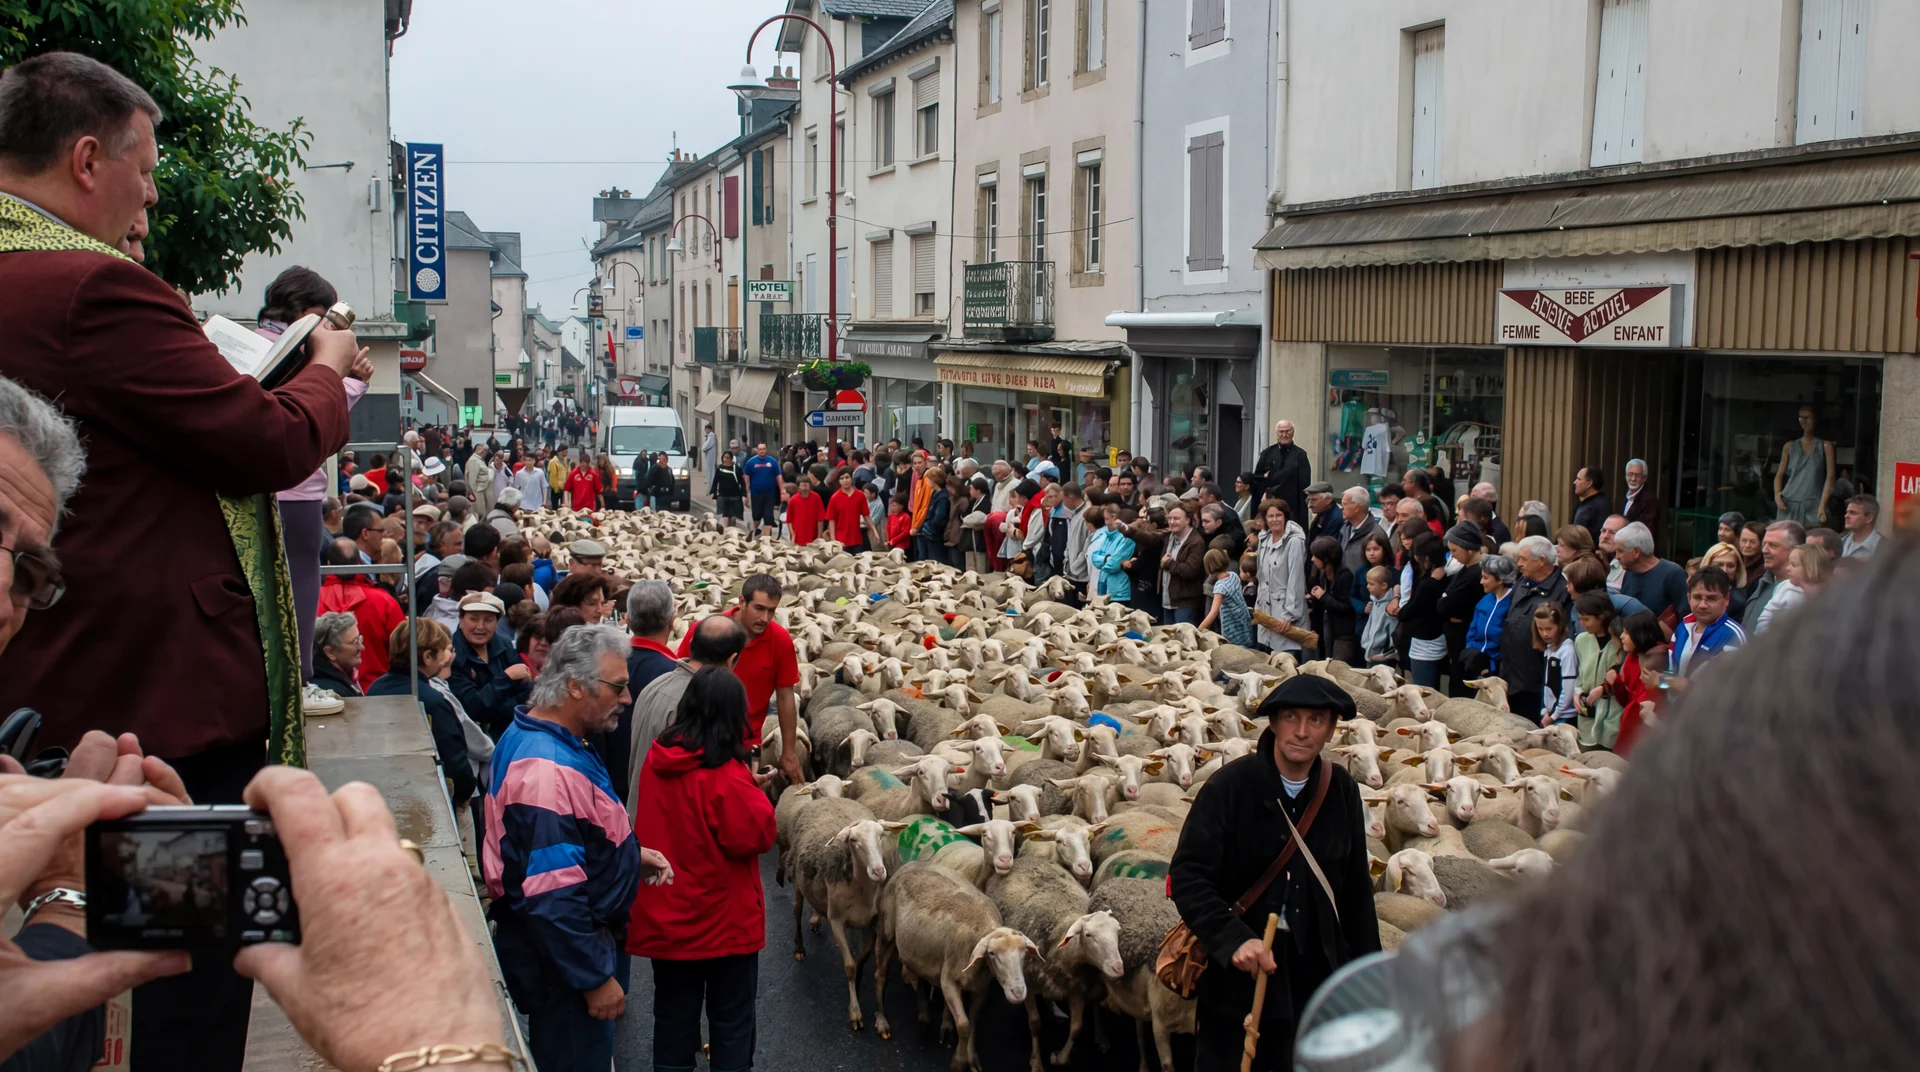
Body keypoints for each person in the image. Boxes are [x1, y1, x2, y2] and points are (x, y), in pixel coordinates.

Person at [0, 55, 377, 1067]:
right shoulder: (88, 288)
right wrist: (331, 377)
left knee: (66, 974)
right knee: (179, 991)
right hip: (156, 717)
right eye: (147, 166)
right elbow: (255, 442)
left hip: (60, 684)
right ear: (88, 159)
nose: (156, 193)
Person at [1169, 675, 1379, 1071]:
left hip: (1316, 975)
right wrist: (1233, 940)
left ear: (1331, 730)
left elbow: (1354, 891)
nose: (1301, 731)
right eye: (1291, 717)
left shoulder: (1342, 791)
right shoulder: (1230, 787)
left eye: (1316, 721)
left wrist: (1366, 978)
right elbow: (1188, 876)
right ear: (1273, 723)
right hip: (1242, 979)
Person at [485, 625, 661, 1072]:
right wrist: (594, 978)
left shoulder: (543, 734)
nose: (627, 699)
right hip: (562, 967)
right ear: (575, 686)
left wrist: (624, 856)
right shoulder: (548, 771)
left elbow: (564, 838)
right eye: (618, 687)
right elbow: (551, 892)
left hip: (557, 954)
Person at [628, 666, 777, 1072]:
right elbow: (755, 836)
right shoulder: (726, 774)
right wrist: (752, 792)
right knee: (731, 1024)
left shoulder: (659, 762)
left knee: (673, 1018)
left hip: (669, 915)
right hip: (724, 922)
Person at [673, 574, 802, 784]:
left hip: (745, 743)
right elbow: (679, 679)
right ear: (742, 602)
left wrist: (789, 753)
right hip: (698, 739)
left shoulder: (779, 640)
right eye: (759, 608)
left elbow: (785, 697)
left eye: (772, 611)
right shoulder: (707, 630)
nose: (765, 618)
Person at [624, 615, 748, 810]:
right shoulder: (700, 705)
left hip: (638, 815)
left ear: (691, 644)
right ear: (732, 659)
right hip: (670, 825)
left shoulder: (654, 686)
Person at [366, 618, 480, 824]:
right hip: (430, 806)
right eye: (441, 651)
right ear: (428, 656)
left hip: (384, 791)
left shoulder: (375, 688)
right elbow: (456, 762)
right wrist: (464, 793)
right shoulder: (433, 701)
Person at [317, 537, 404, 691]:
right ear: (359, 563)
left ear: (328, 564)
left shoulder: (309, 602)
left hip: (322, 695)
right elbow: (404, 652)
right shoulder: (384, 602)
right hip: (379, 694)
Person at [1499, 536, 1571, 720]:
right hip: (1511, 674)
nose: (1519, 564)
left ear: (1541, 561)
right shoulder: (1522, 583)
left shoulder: (1562, 590)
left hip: (1537, 680)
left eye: (1523, 559)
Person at [448, 591, 532, 738]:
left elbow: (527, 691)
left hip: (510, 734)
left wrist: (493, 711)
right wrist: (507, 678)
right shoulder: (452, 655)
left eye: (488, 620)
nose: (480, 627)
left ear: (497, 623)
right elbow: (472, 707)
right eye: (473, 619)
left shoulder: (504, 646)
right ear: (461, 620)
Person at [1606, 611, 1667, 756]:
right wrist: (1616, 683)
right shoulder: (1633, 658)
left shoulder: (1657, 662)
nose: (1621, 637)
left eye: (1626, 633)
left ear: (1641, 635)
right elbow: (1628, 698)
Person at [1570, 589, 1624, 749]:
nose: (1582, 624)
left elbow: (1625, 676)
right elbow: (1580, 674)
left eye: (1586, 619)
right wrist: (1577, 692)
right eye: (1580, 619)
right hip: (1587, 716)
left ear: (1602, 616)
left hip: (1612, 716)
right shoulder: (1581, 640)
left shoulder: (1620, 641)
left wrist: (1602, 689)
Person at [1254, 501, 1308, 655]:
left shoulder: (1294, 542)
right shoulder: (1264, 539)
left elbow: (1295, 580)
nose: (1274, 519)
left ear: (1285, 517)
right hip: (1265, 613)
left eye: (1278, 515)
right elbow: (1261, 577)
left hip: (1285, 612)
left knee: (1286, 662)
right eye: (1270, 516)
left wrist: (1289, 614)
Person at [1612, 521, 1688, 631]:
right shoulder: (1629, 572)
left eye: (1620, 551)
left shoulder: (1673, 574)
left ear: (1636, 552)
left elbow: (1686, 616)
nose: (1617, 557)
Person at [1398, 534, 1450, 688]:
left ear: (1426, 558)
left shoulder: (1429, 583)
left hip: (1424, 644)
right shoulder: (1449, 575)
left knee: (1424, 693)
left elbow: (1407, 612)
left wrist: (1399, 611)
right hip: (1441, 638)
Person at [1774, 404, 1835, 525]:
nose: (1805, 421)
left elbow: (1831, 477)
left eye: (1808, 417)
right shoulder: (1790, 446)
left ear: (1815, 419)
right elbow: (1779, 474)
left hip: (1813, 503)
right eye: (1801, 417)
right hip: (1789, 502)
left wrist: (1822, 504)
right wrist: (1777, 494)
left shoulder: (1825, 447)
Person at [1742, 520, 1804, 634]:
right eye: (1764, 544)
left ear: (1795, 549)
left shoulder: (1799, 591)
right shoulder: (1761, 582)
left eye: (1773, 545)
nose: (1764, 550)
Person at [1462, 554, 1515, 682]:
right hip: (1477, 664)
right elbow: (1472, 631)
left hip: (1497, 670)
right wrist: (1473, 656)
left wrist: (1492, 666)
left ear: (1500, 580)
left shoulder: (1513, 604)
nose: (1481, 582)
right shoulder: (1485, 600)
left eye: (1486, 578)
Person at [1306, 538, 1357, 664]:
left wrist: (1323, 597)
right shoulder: (1323, 575)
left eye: (1316, 556)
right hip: (1326, 630)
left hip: (1343, 635)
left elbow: (1346, 608)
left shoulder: (1345, 576)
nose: (1312, 559)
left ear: (1326, 558)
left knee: (1338, 668)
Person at [1252, 420, 1312, 525]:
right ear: (1277, 434)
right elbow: (1257, 479)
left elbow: (1305, 483)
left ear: (1293, 433)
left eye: (1287, 431)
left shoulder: (1300, 455)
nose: (1284, 434)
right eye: (1281, 431)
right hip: (1269, 504)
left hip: (1293, 506)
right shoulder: (1267, 453)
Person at [1531, 602, 1579, 727]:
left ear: (1559, 626)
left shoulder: (1567, 650)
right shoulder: (1549, 648)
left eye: (1549, 629)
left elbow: (1568, 689)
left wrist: (1553, 716)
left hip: (1564, 717)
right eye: (1540, 629)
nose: (1544, 634)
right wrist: (1545, 711)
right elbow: (1547, 685)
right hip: (1551, 714)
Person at [1159, 504, 1208, 625]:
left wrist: (1168, 564)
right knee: (1168, 641)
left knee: (1184, 641)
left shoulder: (1196, 542)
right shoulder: (1169, 537)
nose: (1171, 522)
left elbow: (1190, 570)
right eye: (1169, 518)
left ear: (1187, 520)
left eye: (1176, 518)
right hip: (1167, 600)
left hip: (1186, 603)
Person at [309, 611, 364, 699]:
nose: (362, 647)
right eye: (354, 642)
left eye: (359, 639)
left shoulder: (344, 676)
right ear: (330, 652)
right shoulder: (334, 695)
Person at [1086, 506, 1134, 604]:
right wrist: (1107, 559)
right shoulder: (1105, 535)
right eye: (1105, 519)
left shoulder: (1127, 538)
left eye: (1108, 519)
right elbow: (1094, 557)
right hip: (1103, 586)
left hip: (1118, 592)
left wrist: (1104, 560)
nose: (1106, 523)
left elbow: (1113, 565)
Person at [742, 444, 783, 539]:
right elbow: (746, 478)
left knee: (768, 516)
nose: (762, 451)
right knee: (756, 516)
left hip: (770, 494)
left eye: (764, 449)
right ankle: (754, 532)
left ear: (766, 450)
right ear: (757, 450)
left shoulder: (772, 461)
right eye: (760, 449)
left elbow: (778, 476)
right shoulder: (751, 462)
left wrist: (782, 490)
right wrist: (745, 493)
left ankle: (766, 538)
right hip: (756, 494)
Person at [1571, 465, 1610, 542]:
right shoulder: (1583, 503)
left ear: (1589, 483)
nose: (1574, 482)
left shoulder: (1600, 507)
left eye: (1579, 479)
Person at [1620, 458, 1660, 530]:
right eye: (1630, 474)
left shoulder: (1649, 500)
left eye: (1637, 476)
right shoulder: (1625, 495)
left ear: (1644, 478)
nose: (1633, 479)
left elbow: (1647, 529)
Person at [701, 423, 719, 495]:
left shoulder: (711, 435)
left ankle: (711, 488)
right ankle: (710, 488)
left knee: (710, 471)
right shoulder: (708, 436)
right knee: (710, 471)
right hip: (709, 455)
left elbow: (707, 445)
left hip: (710, 455)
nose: (705, 430)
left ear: (709, 429)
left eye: (706, 429)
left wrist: (703, 449)